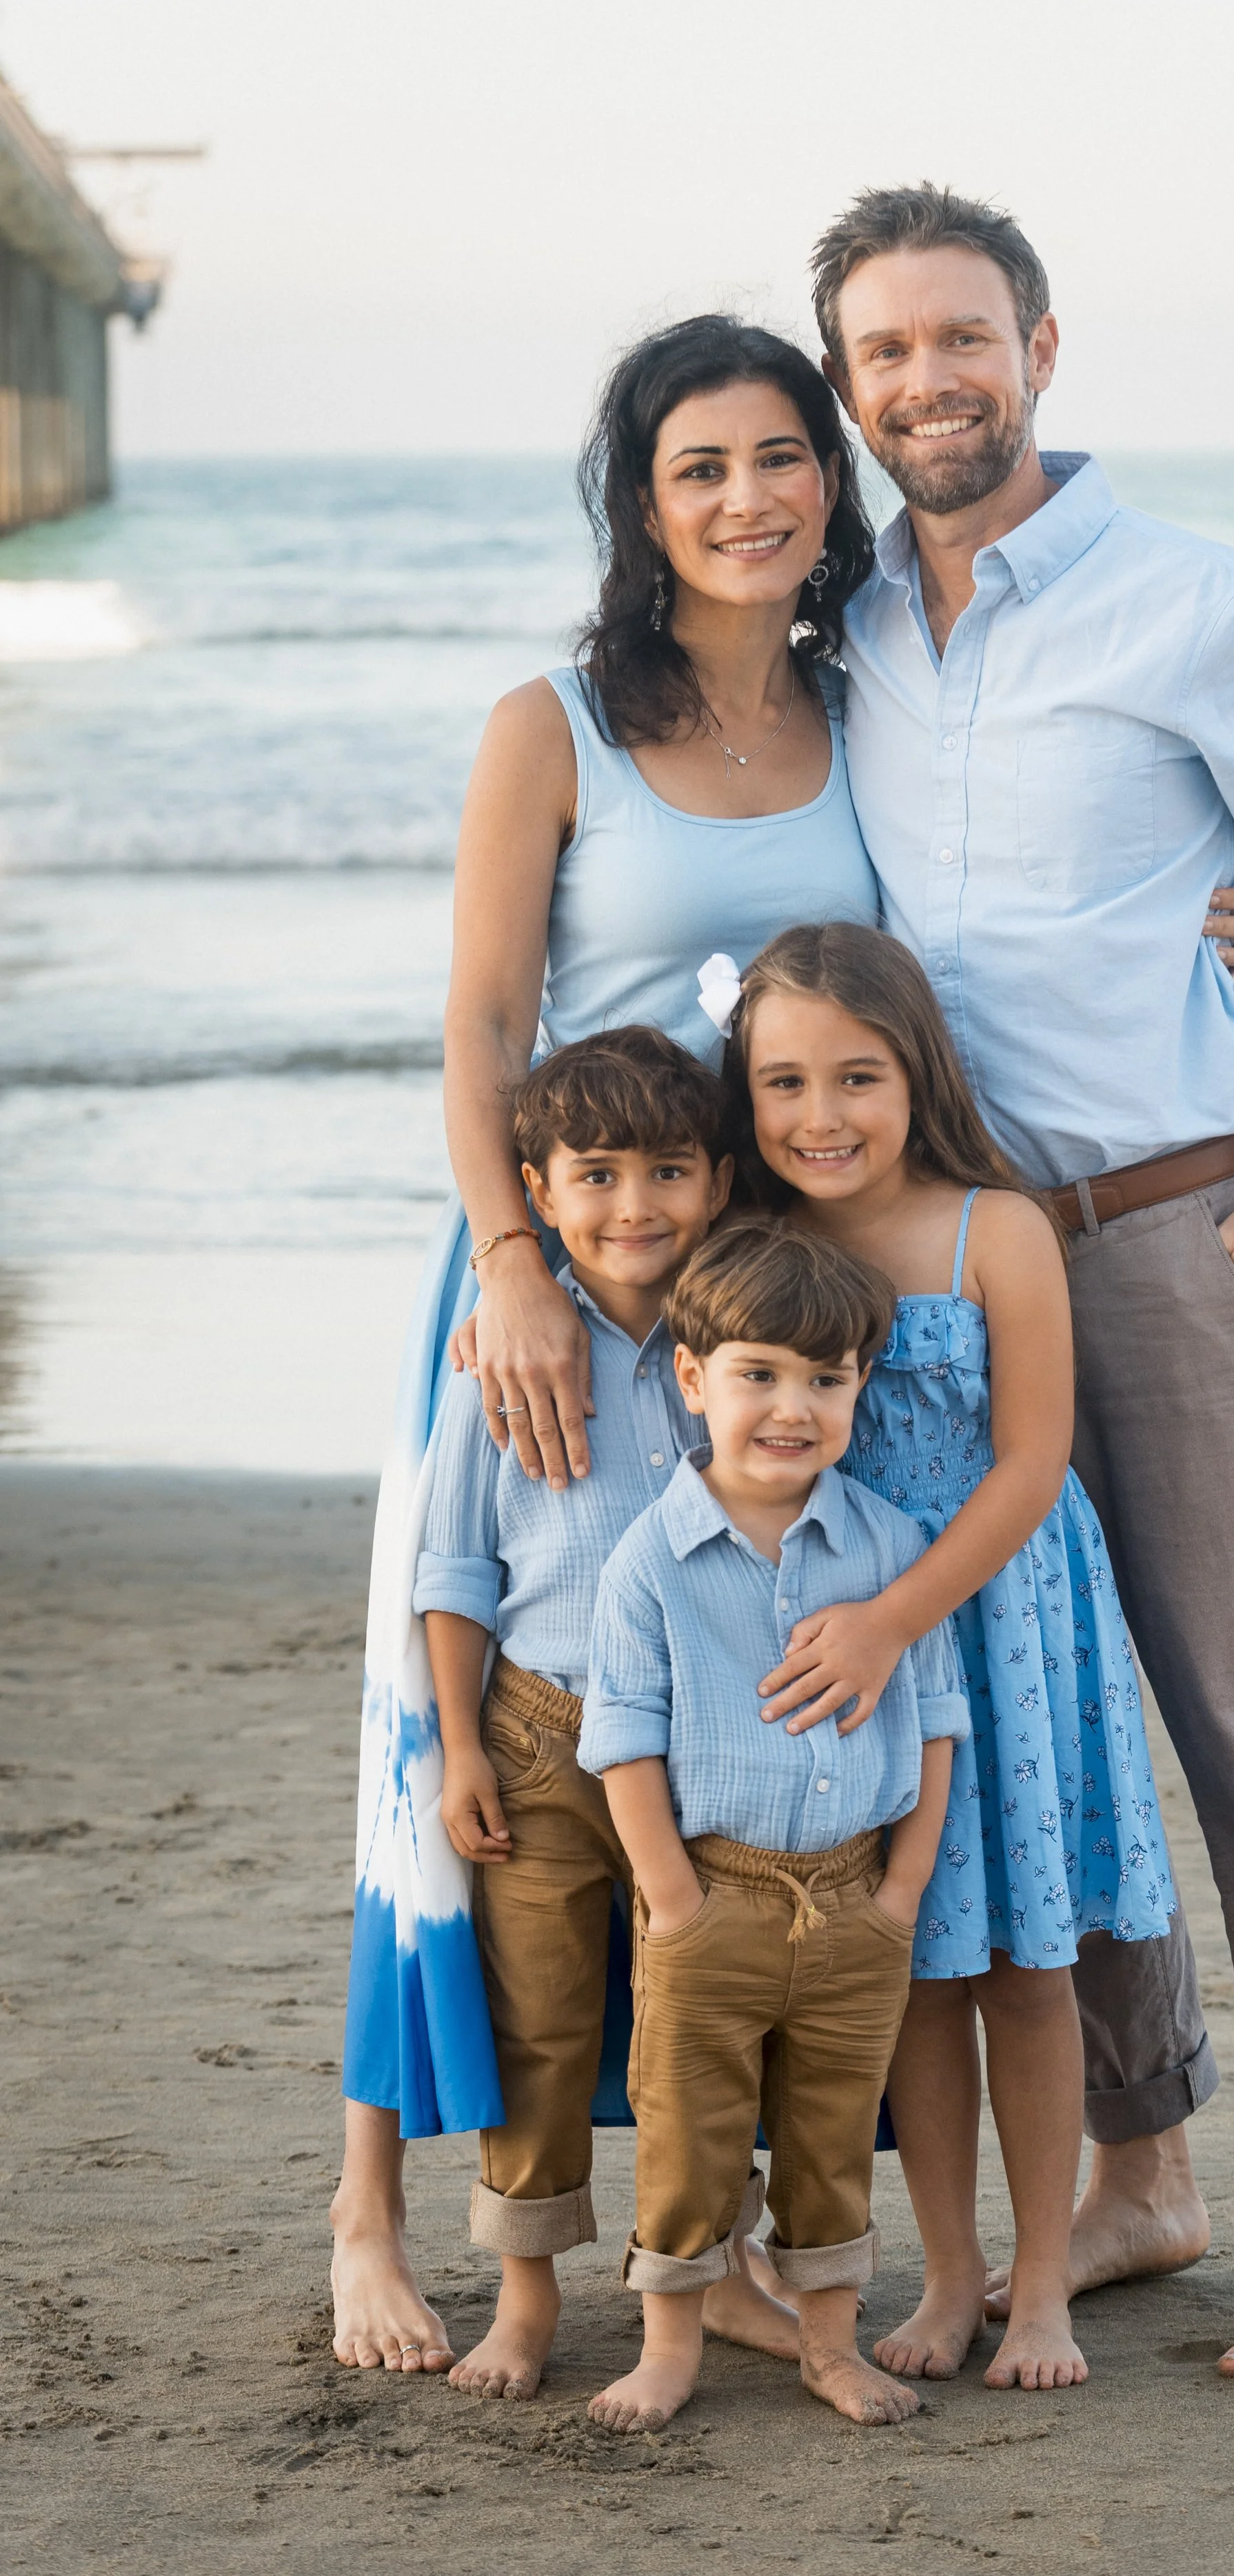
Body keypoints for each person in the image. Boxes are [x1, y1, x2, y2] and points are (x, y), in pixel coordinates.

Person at [329, 310, 1234, 2371]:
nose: (747, 497)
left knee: (720, 1771)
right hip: (559, 1284)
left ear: (825, 481)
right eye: (697, 468)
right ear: (639, 506)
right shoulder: (549, 718)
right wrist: (505, 1260)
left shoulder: (874, 710)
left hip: (754, 1319)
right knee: (464, 1758)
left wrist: (1213, 901)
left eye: (777, 457)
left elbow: (1013, 897)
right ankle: (369, 2213)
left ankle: (719, 2215)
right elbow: (484, 1024)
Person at [807, 183, 1234, 2384]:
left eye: (957, 338)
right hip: (946, 1281)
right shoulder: (843, 627)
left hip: (1171, 1246)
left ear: (1039, 348)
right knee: (1053, 1749)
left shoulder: (1187, 603)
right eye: (880, 354)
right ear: (850, 387)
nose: (922, 382)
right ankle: (1144, 2169)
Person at [722, 923, 1177, 2391]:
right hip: (848, 1652)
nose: (819, 1115)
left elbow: (1033, 1459)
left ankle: (1042, 2285)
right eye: (783, 1082)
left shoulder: (997, 1229)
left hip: (992, 1636)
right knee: (908, 1964)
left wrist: (894, 1619)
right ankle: (948, 2273)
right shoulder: (762, 1247)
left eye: (855, 1076)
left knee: (1027, 1968)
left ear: (916, 1070)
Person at [412, 1024, 808, 2397]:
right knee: (539, 2027)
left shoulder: (737, 1345)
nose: (632, 1207)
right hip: (534, 1738)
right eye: (593, 1175)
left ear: (716, 1181)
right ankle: (524, 2303)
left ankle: (689, 2306)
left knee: (699, 2036)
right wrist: (458, 1744)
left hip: (703, 1755)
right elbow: (455, 1566)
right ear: (535, 1188)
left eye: (667, 1171)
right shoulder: (504, 1355)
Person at [578, 1223, 968, 2431]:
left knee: (831, 2134)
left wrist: (902, 1890)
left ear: (860, 1386)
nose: (792, 1406)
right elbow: (623, 1740)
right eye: (759, 1373)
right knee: (688, 2132)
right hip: (715, 1896)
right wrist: (673, 1901)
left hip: (856, 1900)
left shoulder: (886, 1546)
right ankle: (671, 2344)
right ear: (693, 1380)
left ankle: (830, 2346)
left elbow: (936, 1718)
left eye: (826, 1377)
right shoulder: (650, 1560)